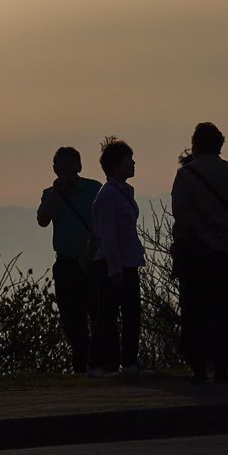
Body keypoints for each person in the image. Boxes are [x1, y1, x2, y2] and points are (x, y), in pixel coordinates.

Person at [170, 122, 228, 384]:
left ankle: (198, 367)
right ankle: (222, 366)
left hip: (195, 252)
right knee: (224, 310)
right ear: (220, 145)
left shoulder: (186, 175)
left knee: (194, 309)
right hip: (227, 253)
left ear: (195, 145)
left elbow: (182, 211)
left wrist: (203, 234)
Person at [36, 147, 102, 376]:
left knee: (97, 313)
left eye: (68, 164)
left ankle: (98, 364)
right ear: (54, 169)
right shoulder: (49, 193)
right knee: (71, 319)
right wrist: (55, 194)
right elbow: (42, 220)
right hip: (65, 263)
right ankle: (81, 366)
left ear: (79, 166)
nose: (64, 170)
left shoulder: (93, 189)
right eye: (59, 166)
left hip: (92, 260)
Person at [90, 137, 149, 377]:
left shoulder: (122, 193)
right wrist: (115, 269)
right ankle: (95, 364)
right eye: (128, 160)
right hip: (113, 264)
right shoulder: (109, 196)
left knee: (131, 313)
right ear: (115, 165)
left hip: (127, 262)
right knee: (108, 315)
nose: (133, 163)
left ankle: (129, 363)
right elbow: (108, 236)